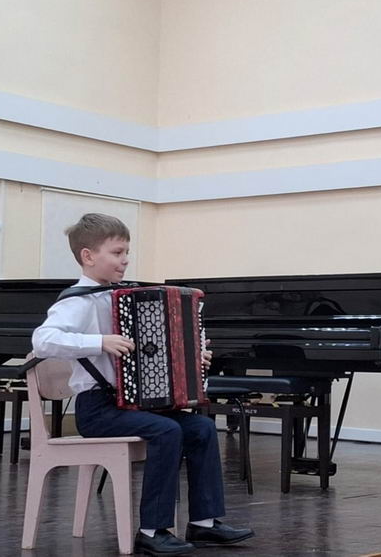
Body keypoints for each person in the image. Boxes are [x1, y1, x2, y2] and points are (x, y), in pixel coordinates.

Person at [33, 213, 254, 556]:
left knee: (201, 428)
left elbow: (159, 352)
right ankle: (152, 530)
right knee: (167, 431)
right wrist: (99, 342)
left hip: (131, 405)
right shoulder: (77, 301)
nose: (125, 260)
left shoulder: (128, 297)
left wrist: (193, 359)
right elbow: (42, 341)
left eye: (126, 253)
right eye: (117, 253)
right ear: (88, 256)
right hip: (97, 410)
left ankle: (204, 522)